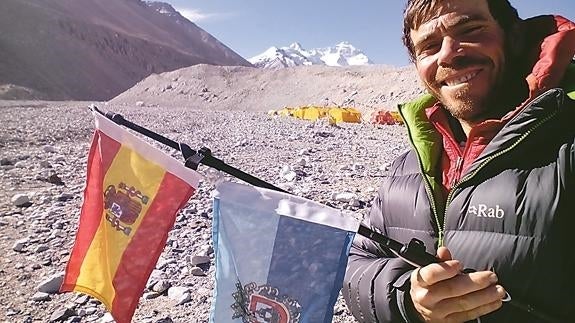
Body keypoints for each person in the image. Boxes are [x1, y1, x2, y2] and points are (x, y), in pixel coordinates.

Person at [343, 0, 575, 322]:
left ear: (514, 35)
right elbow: (358, 259)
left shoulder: (566, 146)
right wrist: (408, 297)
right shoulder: (409, 166)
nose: (449, 53)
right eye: (429, 45)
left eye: (471, 30)